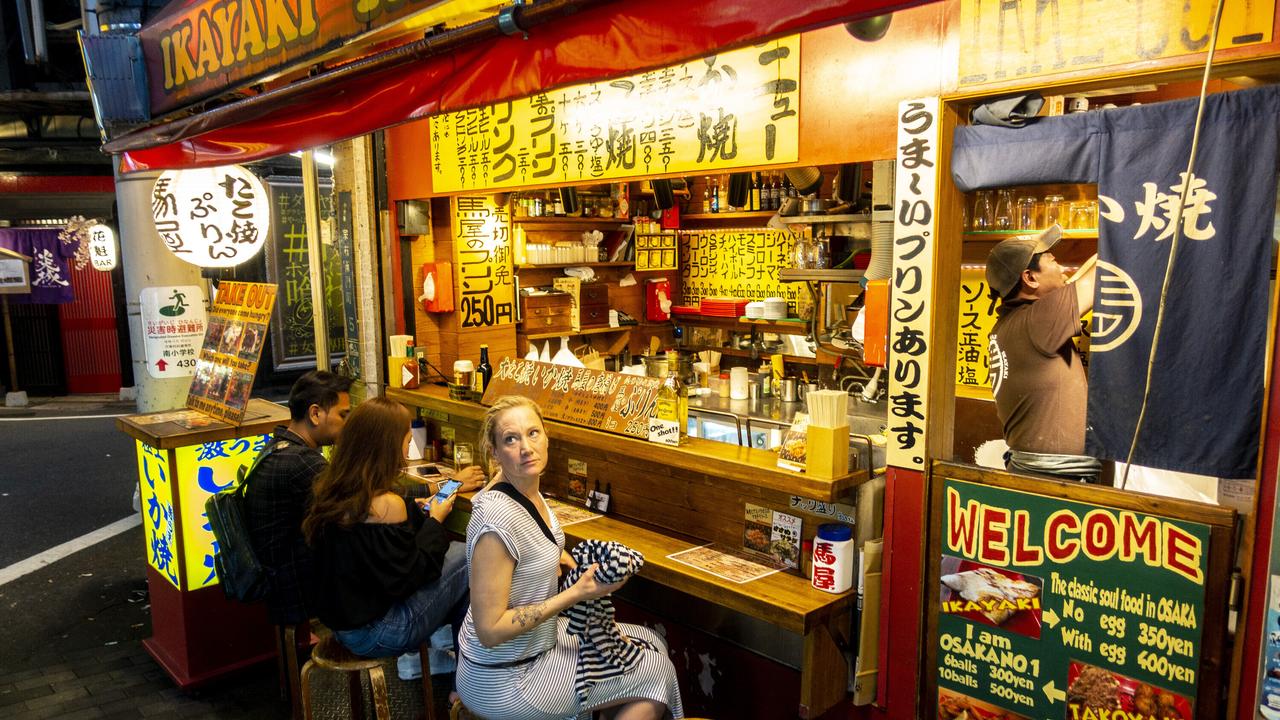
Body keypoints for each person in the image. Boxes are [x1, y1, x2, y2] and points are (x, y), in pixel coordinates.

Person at [457, 395, 684, 720]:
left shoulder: (520, 485)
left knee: (649, 641)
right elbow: (490, 630)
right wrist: (575, 594)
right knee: (657, 671)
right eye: (511, 439)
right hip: (504, 676)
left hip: (532, 647)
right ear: (494, 452)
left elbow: (529, 542)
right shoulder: (497, 523)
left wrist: (560, 557)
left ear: (547, 436)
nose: (526, 447)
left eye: (533, 433)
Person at [304, 396, 484, 665]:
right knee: (473, 555)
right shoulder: (386, 505)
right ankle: (467, 681)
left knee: (465, 588)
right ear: (387, 448)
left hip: (342, 626)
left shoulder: (332, 490)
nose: (407, 448)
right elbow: (414, 574)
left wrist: (448, 488)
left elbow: (401, 513)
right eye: (406, 441)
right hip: (384, 631)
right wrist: (435, 521)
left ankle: (456, 672)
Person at [985, 224, 1101, 483]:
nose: (1062, 269)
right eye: (1054, 261)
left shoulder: (1013, 323)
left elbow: (1077, 280)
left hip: (1034, 473)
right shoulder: (1038, 321)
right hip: (1053, 480)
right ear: (1030, 278)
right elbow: (1097, 277)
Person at [244, 370, 352, 626]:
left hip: (279, 584)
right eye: (343, 415)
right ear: (315, 414)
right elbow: (356, 502)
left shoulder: (279, 446)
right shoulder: (301, 461)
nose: (347, 424)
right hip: (295, 592)